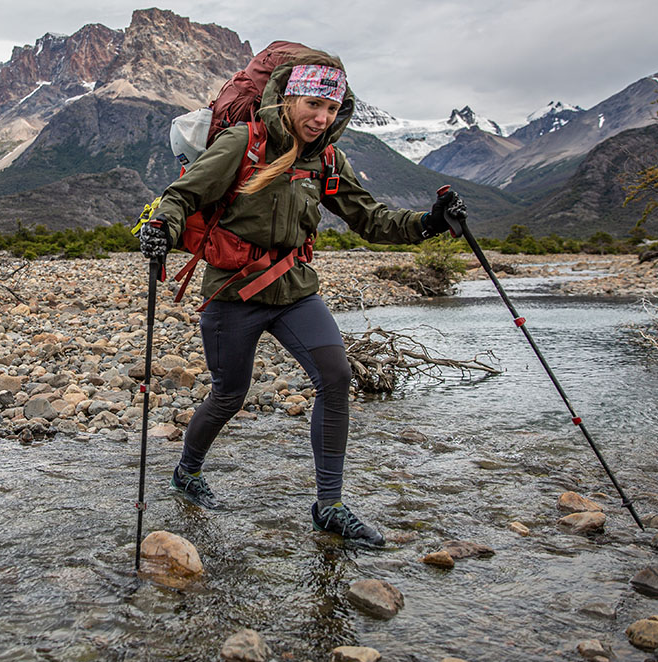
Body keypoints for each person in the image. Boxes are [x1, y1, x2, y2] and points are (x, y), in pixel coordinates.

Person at [138, 50, 466, 547]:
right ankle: (187, 470)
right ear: (288, 99)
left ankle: (330, 506)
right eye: (314, 104)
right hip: (233, 293)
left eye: (332, 109)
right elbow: (183, 195)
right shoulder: (242, 143)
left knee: (336, 375)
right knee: (229, 394)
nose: (322, 118)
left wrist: (429, 223)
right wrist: (161, 226)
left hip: (294, 290)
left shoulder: (328, 159)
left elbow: (371, 219)